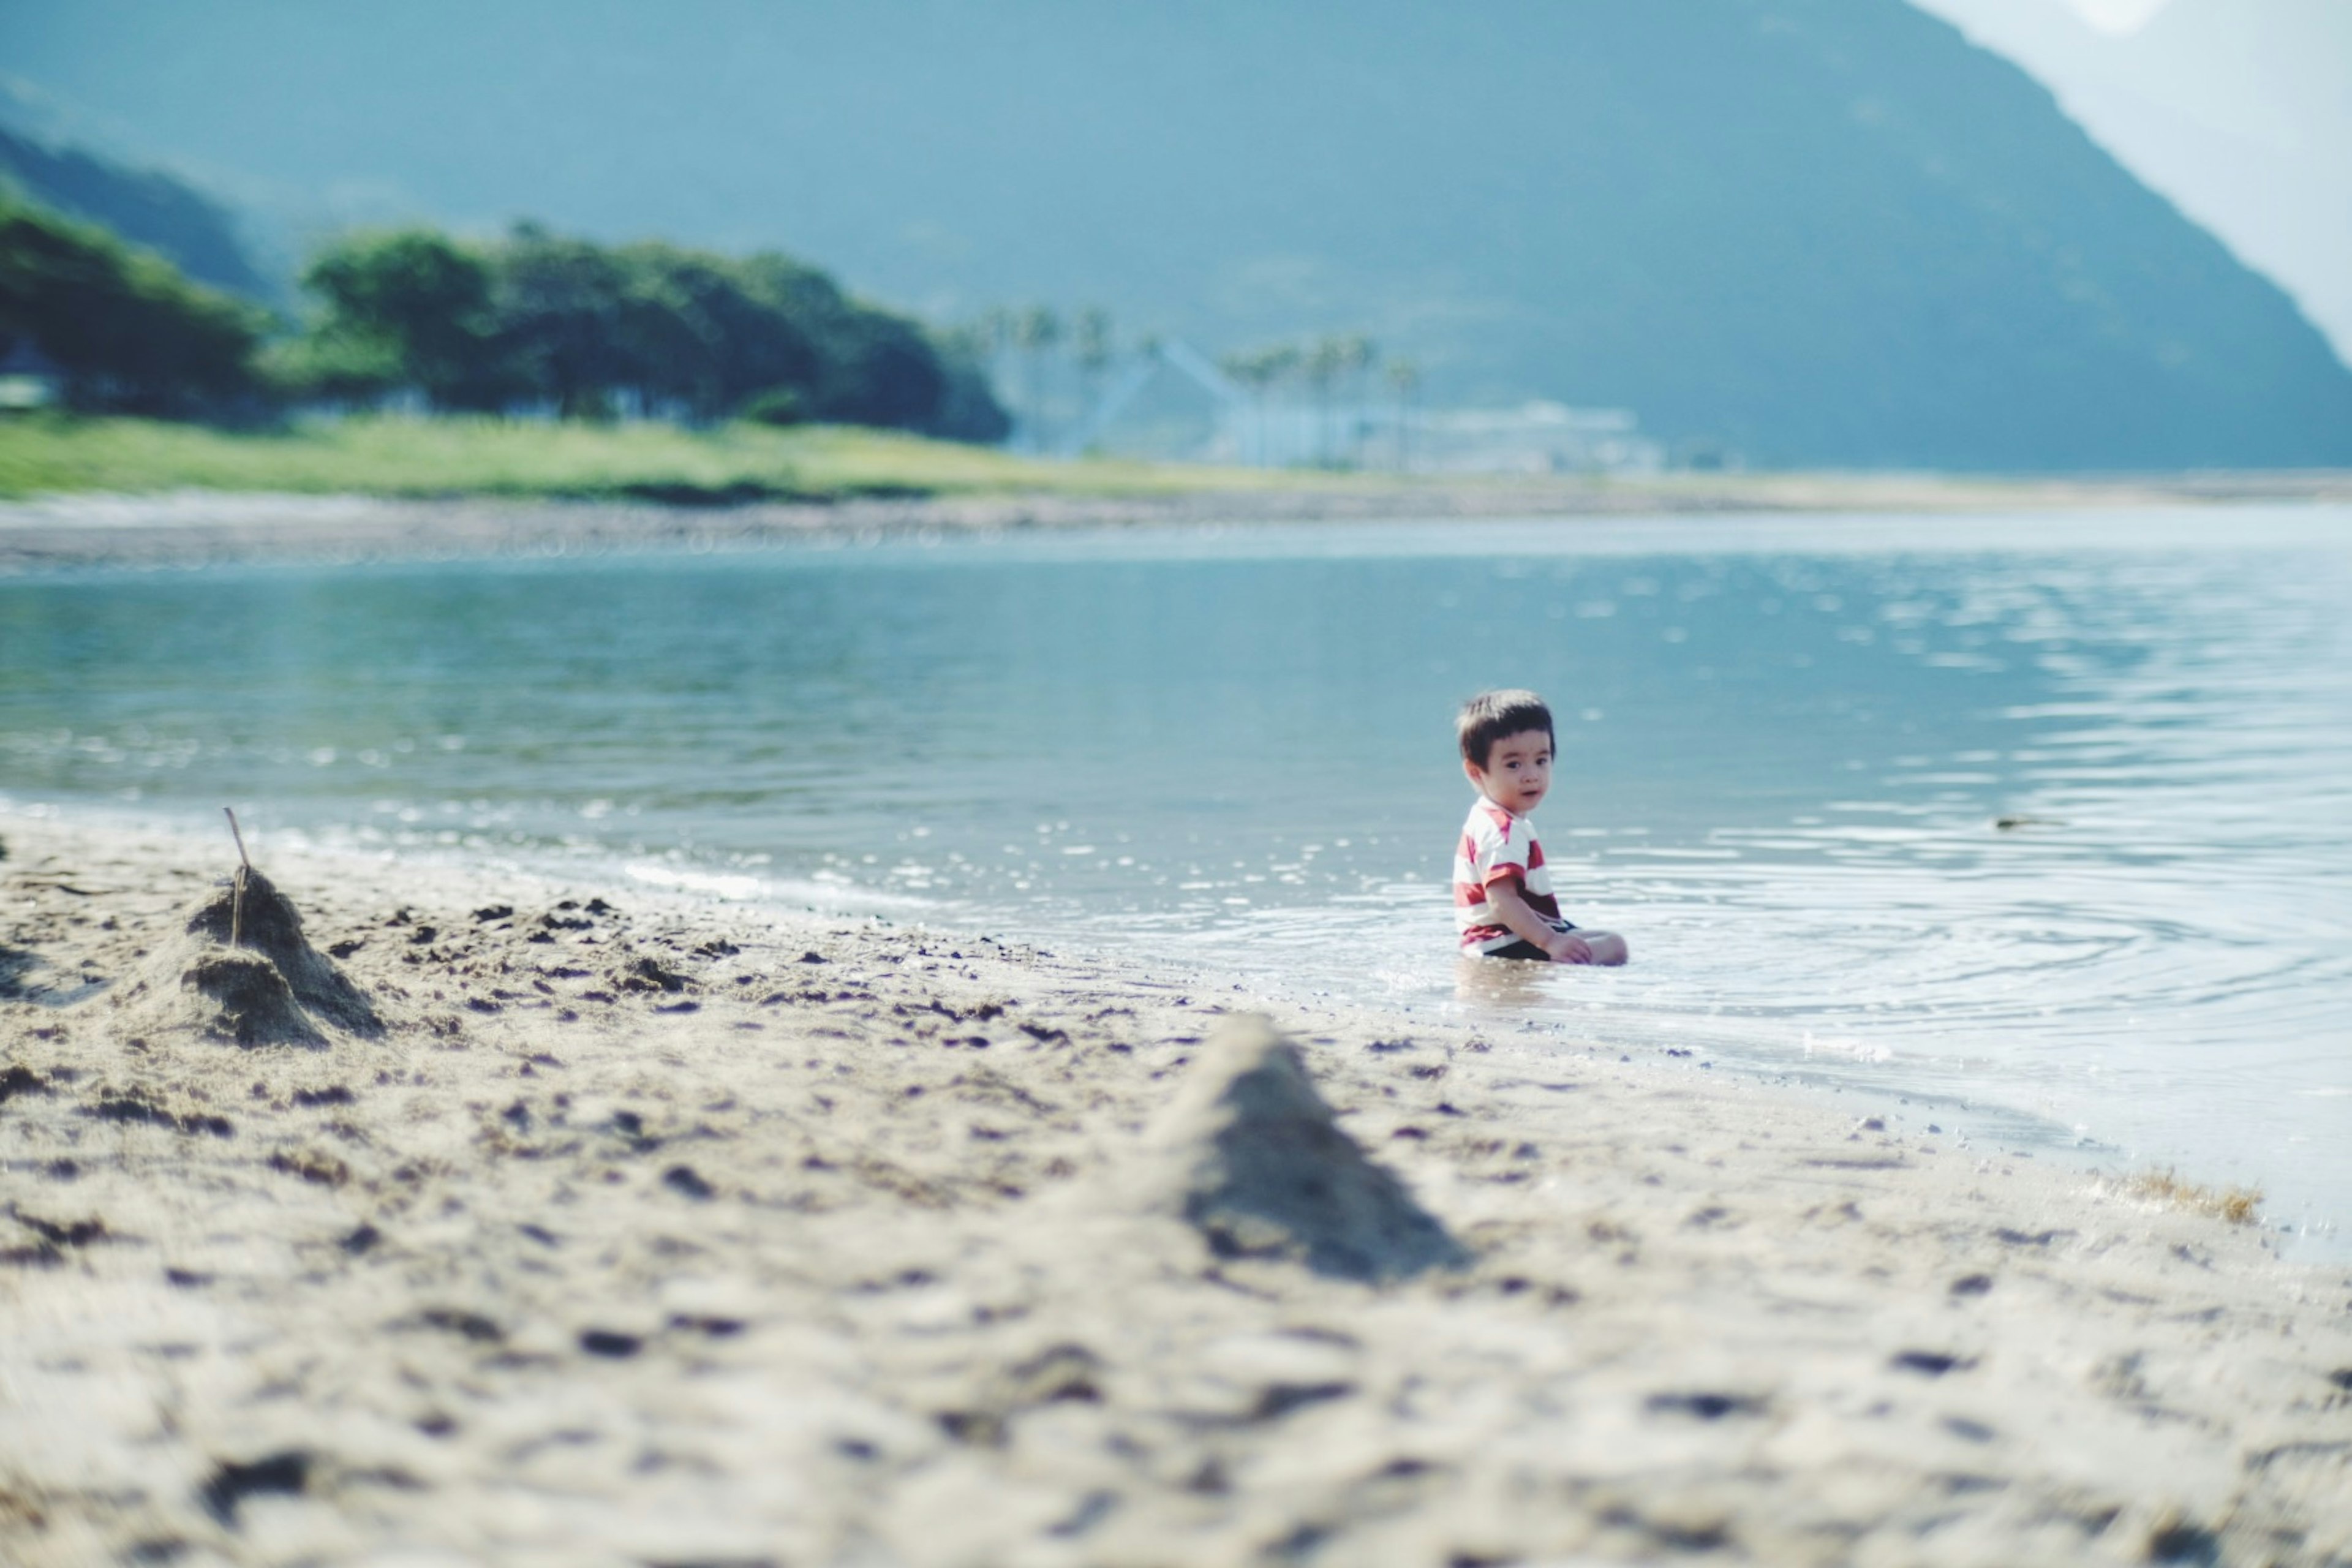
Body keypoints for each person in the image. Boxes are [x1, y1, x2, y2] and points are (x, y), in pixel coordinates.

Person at [1452, 688, 1629, 965]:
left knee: (1601, 937)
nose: (1531, 775)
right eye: (1514, 765)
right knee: (1614, 946)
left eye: (1541, 761)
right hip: (1503, 943)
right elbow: (1500, 900)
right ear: (1476, 772)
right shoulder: (1501, 830)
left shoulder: (1490, 816)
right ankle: (1558, 970)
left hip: (1497, 940)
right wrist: (1550, 941)